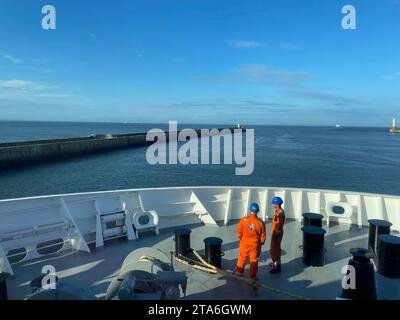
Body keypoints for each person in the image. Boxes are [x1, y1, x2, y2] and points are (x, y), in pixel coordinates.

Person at [235, 203, 266, 280]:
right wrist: (261, 243)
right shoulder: (260, 223)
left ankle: (239, 272)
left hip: (244, 242)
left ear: (250, 210)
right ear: (258, 211)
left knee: (242, 257)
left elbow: (239, 232)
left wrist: (241, 239)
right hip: (255, 244)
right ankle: (252, 276)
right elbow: (263, 237)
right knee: (254, 260)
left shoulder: (243, 220)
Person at [269, 196, 285, 274]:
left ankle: (277, 266)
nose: (273, 205)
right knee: (276, 249)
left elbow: (279, 225)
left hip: (276, 234)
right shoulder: (278, 211)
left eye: (274, 204)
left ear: (277, 205)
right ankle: (276, 263)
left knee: (274, 250)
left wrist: (275, 234)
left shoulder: (280, 214)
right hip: (275, 233)